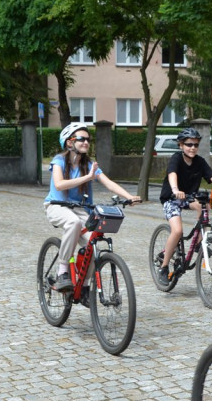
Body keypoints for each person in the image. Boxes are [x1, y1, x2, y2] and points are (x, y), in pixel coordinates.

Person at [44, 123, 141, 292]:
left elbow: (108, 183)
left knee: (93, 244)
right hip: (56, 206)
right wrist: (87, 178)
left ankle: (85, 286)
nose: (86, 142)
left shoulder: (88, 165)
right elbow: (59, 185)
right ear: (69, 142)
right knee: (73, 222)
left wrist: (129, 197)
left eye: (88, 139)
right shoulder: (59, 161)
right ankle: (62, 271)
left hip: (80, 209)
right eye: (81, 139)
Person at [156, 127, 212, 280]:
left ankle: (200, 242)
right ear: (181, 145)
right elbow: (172, 173)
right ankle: (164, 267)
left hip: (189, 197)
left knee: (204, 205)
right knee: (178, 231)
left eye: (195, 145)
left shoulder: (199, 162)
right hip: (172, 199)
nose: (192, 148)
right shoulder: (176, 158)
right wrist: (175, 189)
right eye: (188, 144)